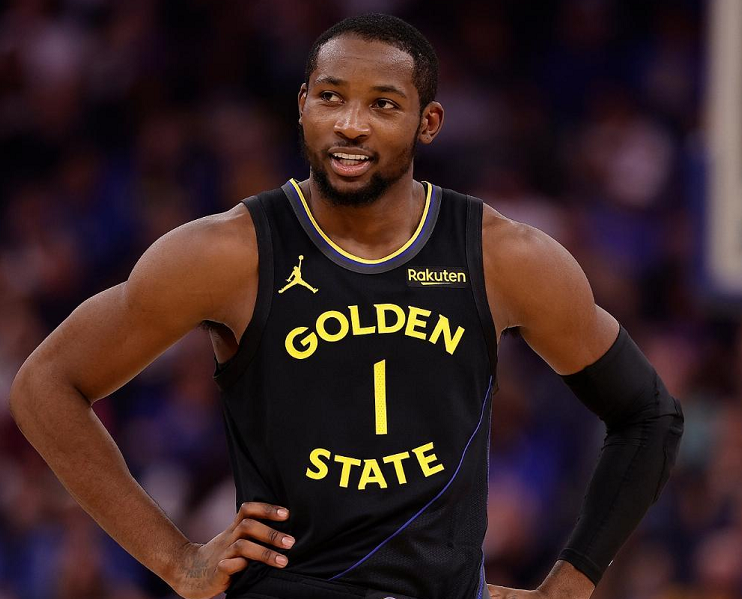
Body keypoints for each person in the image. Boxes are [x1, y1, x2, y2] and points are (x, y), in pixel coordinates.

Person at [8, 13, 684, 599]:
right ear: (303, 104)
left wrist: (571, 581)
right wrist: (176, 559)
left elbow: (648, 414)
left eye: (383, 105)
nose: (351, 124)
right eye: (331, 97)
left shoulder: (503, 256)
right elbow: (45, 386)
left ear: (428, 122)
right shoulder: (225, 253)